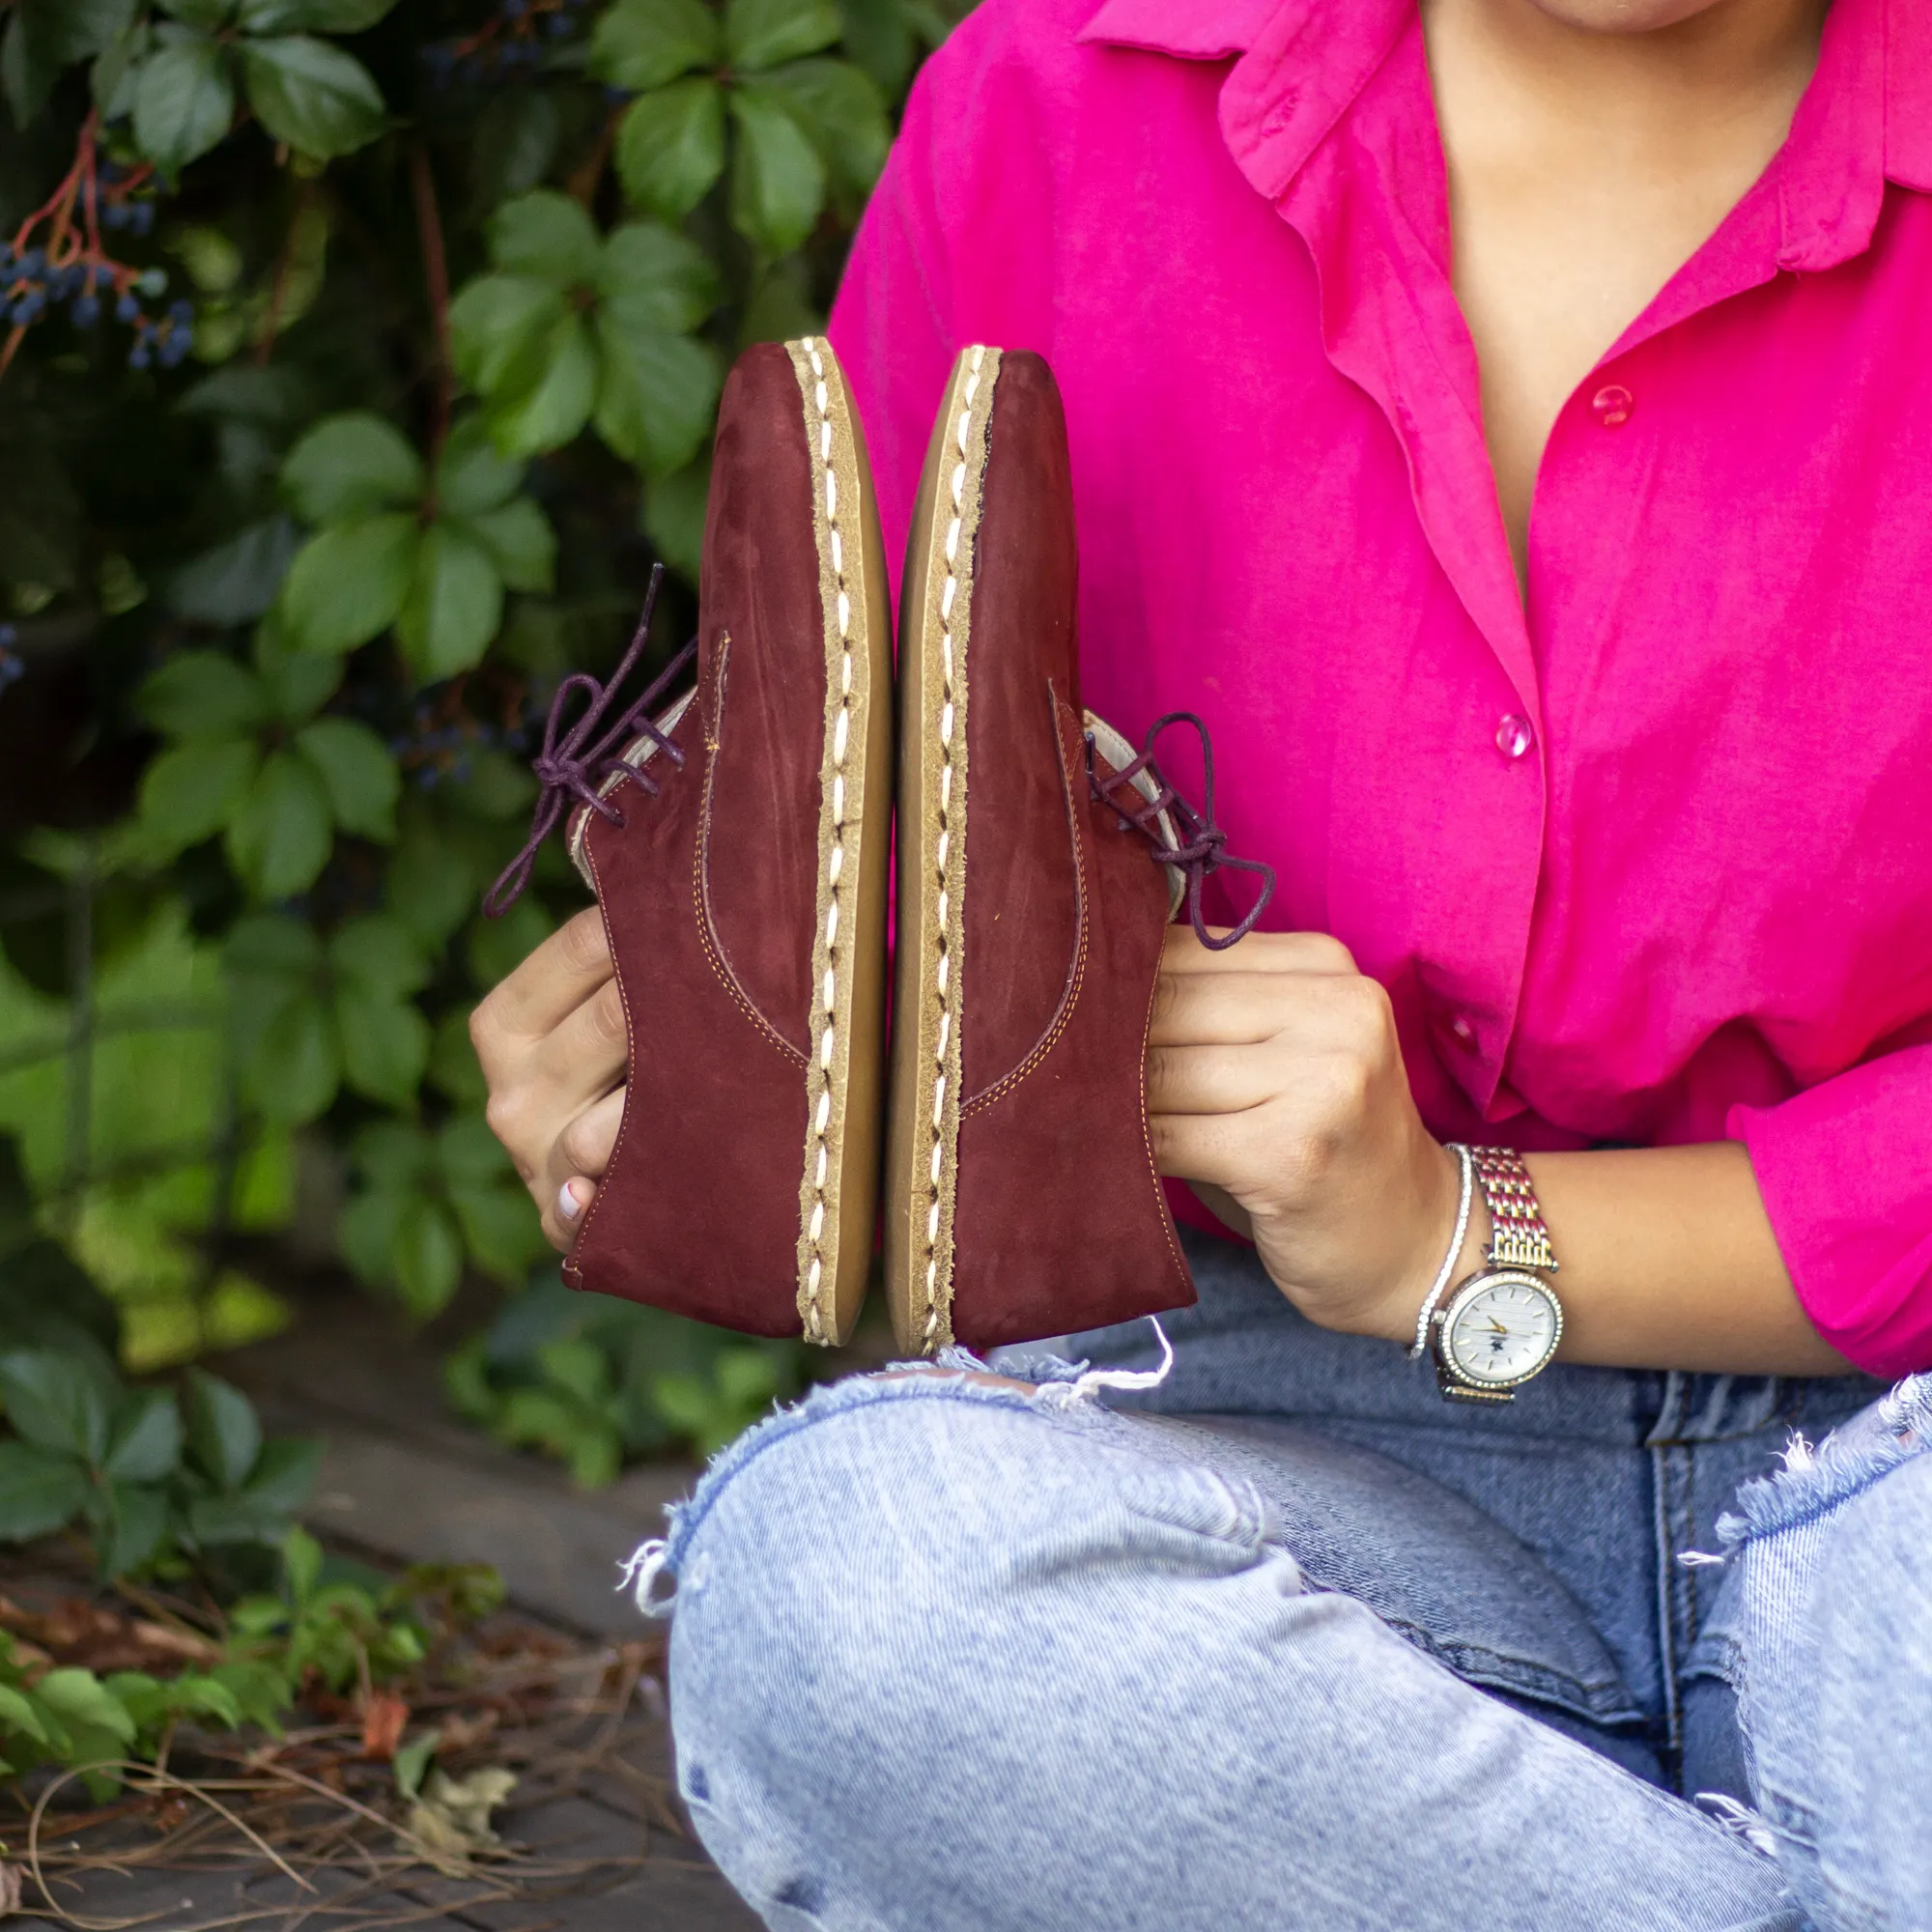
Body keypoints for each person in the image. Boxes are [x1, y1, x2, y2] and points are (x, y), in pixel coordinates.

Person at [470, 0, 1932, 1923]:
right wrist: (721, 1033)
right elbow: (906, 818)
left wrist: (1452, 1233)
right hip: (1244, 1425)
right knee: (852, 1590)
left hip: (1892, 1451)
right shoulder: (1059, 103)